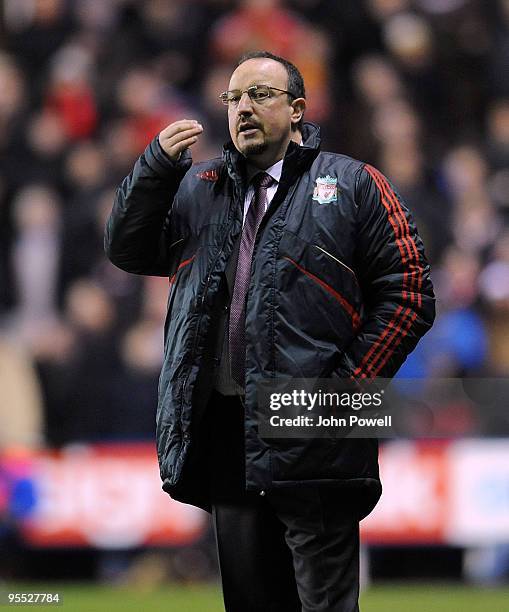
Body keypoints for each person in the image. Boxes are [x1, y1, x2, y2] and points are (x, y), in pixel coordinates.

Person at [105, 51, 435, 612]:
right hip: (227, 431)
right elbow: (128, 250)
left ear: (298, 109)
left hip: (318, 430)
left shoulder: (353, 183)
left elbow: (410, 293)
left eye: (260, 95)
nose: (243, 108)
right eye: (233, 98)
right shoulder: (198, 186)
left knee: (324, 604)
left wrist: (345, 390)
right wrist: (156, 169)